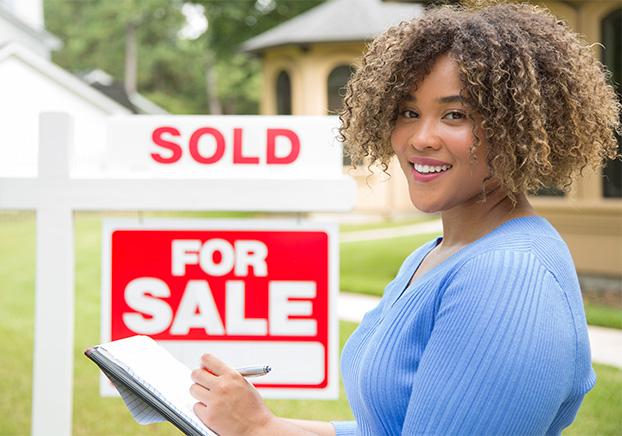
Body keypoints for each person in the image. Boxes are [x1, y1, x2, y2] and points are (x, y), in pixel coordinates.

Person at [189, 2, 621, 435]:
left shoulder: (506, 276)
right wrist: (261, 427)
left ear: (519, 127)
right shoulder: (434, 256)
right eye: (408, 112)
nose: (421, 138)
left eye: (456, 114)